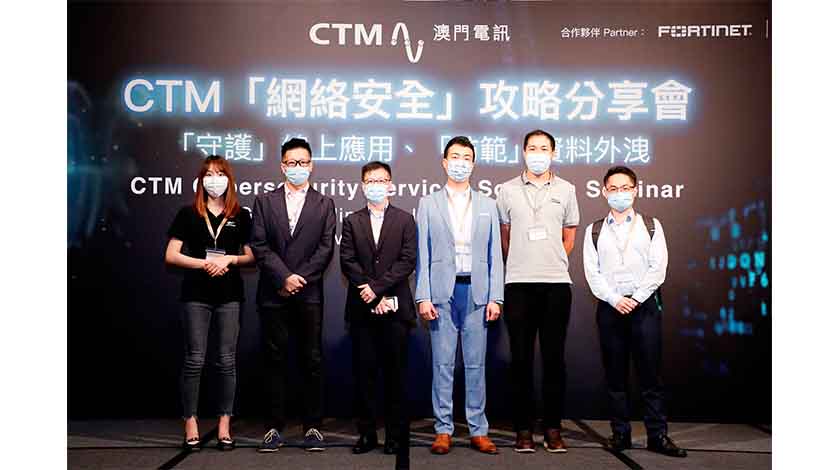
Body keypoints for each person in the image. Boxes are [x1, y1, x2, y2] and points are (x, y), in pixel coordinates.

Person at [582, 166, 687, 458]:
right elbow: (592, 273)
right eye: (613, 189)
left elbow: (658, 268)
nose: (620, 193)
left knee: (651, 375)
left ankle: (657, 435)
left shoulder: (651, 226)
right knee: (615, 376)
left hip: (645, 307)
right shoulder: (594, 230)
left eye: (625, 188)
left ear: (635, 190)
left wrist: (637, 298)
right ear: (604, 192)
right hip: (610, 307)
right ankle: (620, 434)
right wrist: (615, 299)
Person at [415, 136, 504, 455]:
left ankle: (478, 429)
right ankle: (443, 429)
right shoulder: (428, 203)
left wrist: (496, 297)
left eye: (466, 158)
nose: (460, 163)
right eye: (455, 157)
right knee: (442, 364)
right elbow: (422, 254)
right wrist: (423, 296)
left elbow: (495, 255)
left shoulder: (488, 205)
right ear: (444, 162)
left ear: (473, 164)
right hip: (441, 292)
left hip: (477, 292)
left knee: (476, 365)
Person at [250, 138, 337, 453]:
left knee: (311, 359)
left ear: (311, 166)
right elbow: (259, 244)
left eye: (303, 162)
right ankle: (274, 428)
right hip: (273, 293)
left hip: (309, 293)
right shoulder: (264, 201)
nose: (297, 167)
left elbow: (326, 248)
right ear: (282, 166)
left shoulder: (325, 203)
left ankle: (313, 427)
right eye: (292, 163)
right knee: (274, 360)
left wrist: (299, 279)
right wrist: (283, 277)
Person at [496, 129, 579, 453]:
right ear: (523, 152)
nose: (538, 154)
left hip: (556, 285)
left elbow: (569, 237)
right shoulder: (506, 190)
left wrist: (550, 260)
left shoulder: (567, 190)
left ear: (553, 153)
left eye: (544, 148)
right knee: (520, 360)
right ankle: (523, 429)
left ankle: (553, 428)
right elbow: (505, 237)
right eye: (532, 148)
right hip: (518, 284)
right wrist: (523, 259)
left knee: (554, 360)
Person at [164, 155, 255, 451]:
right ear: (201, 180)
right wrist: (204, 263)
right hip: (196, 294)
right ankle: (190, 422)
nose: (215, 179)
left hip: (230, 295)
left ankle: (224, 424)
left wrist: (229, 259)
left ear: (229, 179)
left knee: (227, 361)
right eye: (209, 174)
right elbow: (171, 255)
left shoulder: (241, 215)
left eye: (220, 173)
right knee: (195, 359)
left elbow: (252, 256)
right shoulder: (188, 213)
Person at [339, 162, 417, 456]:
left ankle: (395, 437)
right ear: (362, 186)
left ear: (391, 185)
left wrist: (377, 289)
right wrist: (371, 296)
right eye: (370, 181)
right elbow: (348, 261)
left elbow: (407, 261)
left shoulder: (405, 220)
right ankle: (367, 435)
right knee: (365, 377)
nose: (376, 185)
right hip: (363, 310)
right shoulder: (352, 221)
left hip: (396, 310)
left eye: (381, 180)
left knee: (396, 377)